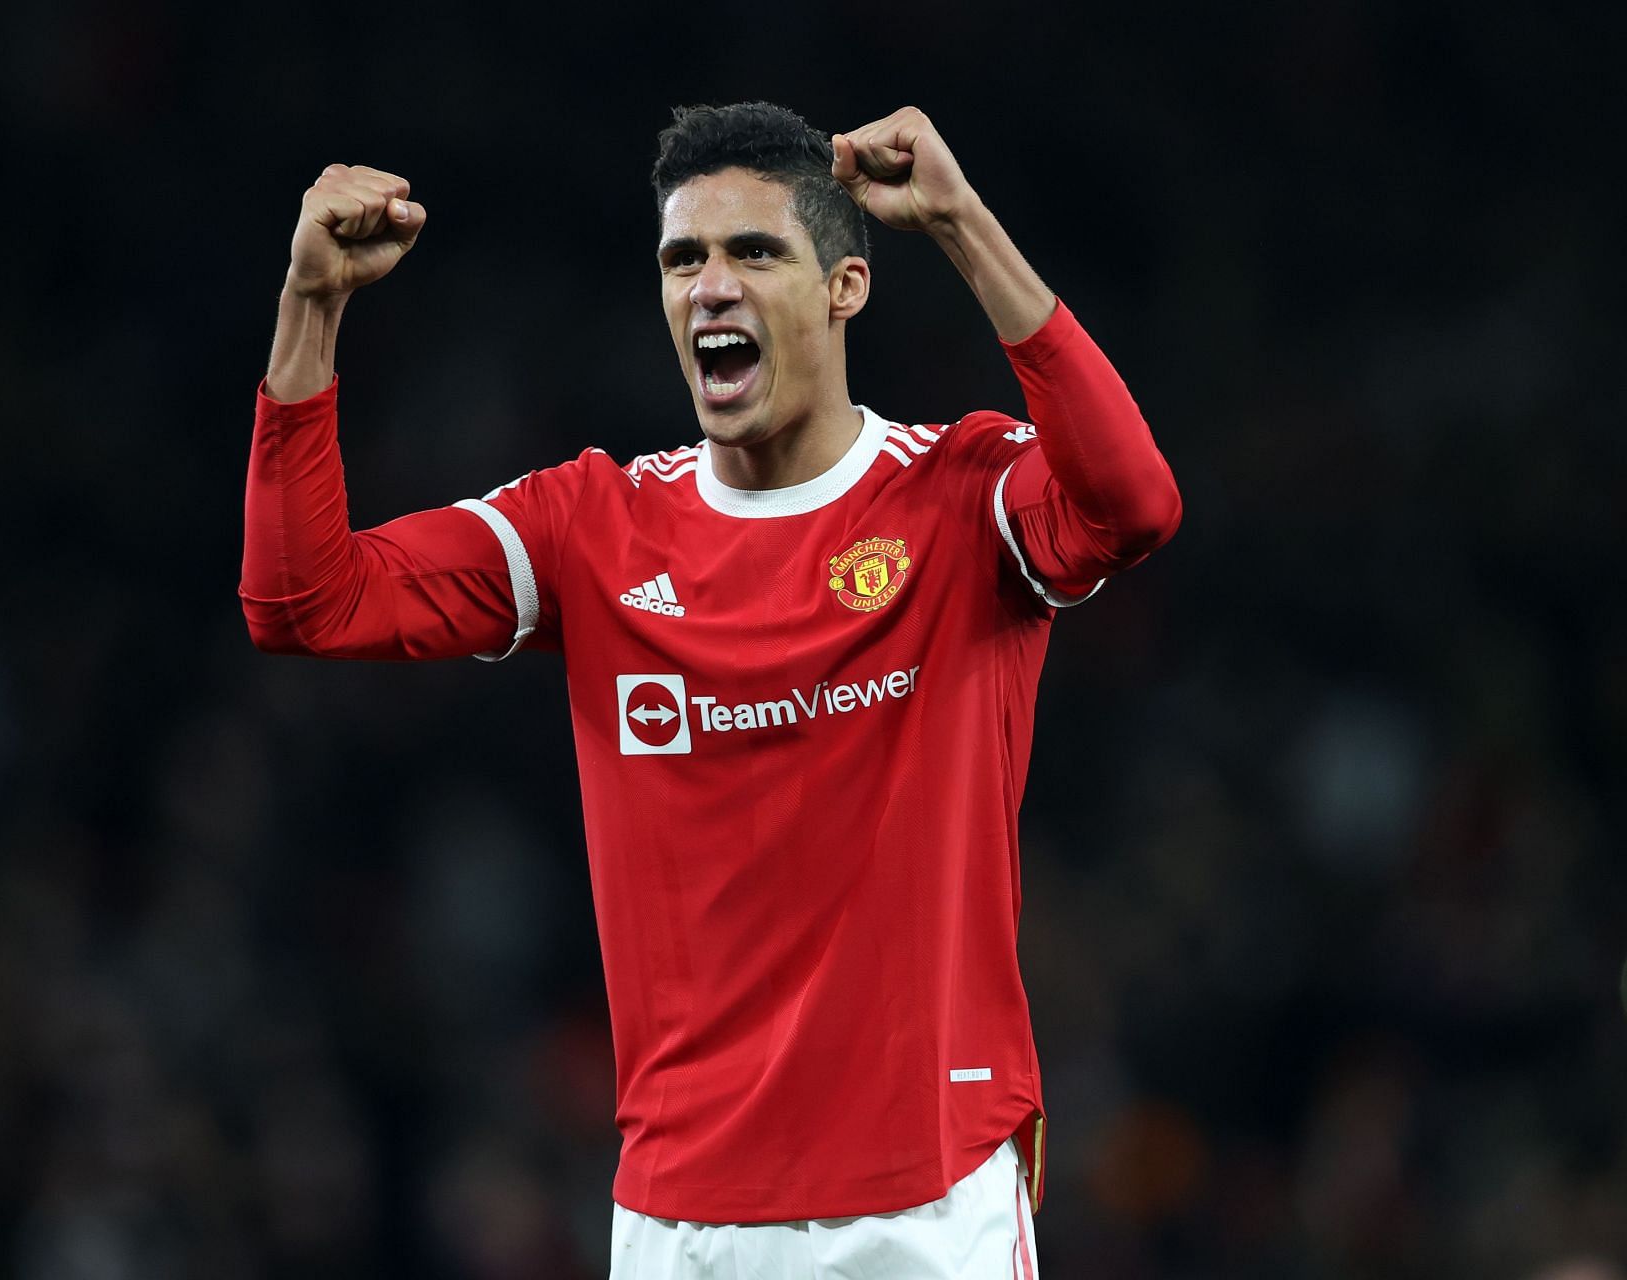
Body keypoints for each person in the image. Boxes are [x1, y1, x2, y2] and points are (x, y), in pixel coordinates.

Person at [240, 101, 1181, 1279]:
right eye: (683, 258)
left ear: (846, 286)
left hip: (925, 1208)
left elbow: (1133, 505)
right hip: (684, 1225)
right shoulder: (596, 527)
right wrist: (310, 306)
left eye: (755, 252)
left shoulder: (956, 496)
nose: (711, 287)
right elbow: (302, 601)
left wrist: (959, 220)